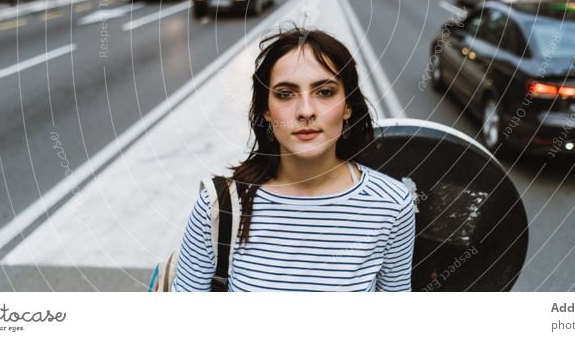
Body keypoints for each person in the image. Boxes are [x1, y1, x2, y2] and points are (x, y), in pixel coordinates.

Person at [174, 27, 416, 291]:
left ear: (347, 106)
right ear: (266, 110)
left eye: (324, 92)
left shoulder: (392, 205)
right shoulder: (218, 206)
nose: (305, 111)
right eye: (285, 94)